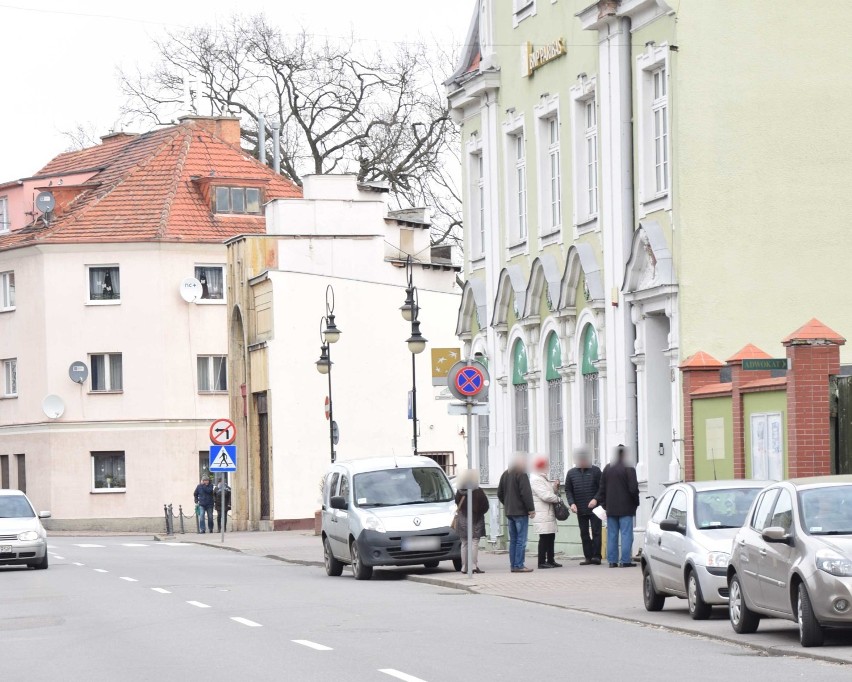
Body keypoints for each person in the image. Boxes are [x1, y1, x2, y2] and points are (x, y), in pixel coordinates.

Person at [591, 445, 639, 568]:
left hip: (611, 508)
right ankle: (625, 561)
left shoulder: (607, 468)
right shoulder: (629, 469)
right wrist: (636, 502)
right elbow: (633, 489)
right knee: (626, 534)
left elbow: (602, 489)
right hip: (626, 508)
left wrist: (604, 504)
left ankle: (612, 561)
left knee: (612, 534)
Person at [497, 453, 536, 573]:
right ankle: (519, 565)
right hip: (520, 512)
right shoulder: (521, 474)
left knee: (513, 540)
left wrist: (507, 504)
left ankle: (513, 565)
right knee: (521, 540)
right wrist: (531, 509)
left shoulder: (505, 474)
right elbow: (526, 493)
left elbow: (500, 493)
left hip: (509, 512)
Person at [565, 445, 603, 565]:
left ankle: (597, 556)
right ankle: (588, 557)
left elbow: (602, 488)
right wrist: (572, 503)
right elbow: (568, 490)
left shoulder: (596, 471)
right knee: (584, 533)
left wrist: (596, 499)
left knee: (596, 532)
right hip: (580, 509)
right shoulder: (571, 473)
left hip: (595, 508)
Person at [454, 469, 490, 574]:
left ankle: (464, 567)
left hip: (462, 520)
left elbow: (457, 502)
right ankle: (473, 566)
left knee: (464, 543)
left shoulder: (459, 491)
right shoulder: (478, 491)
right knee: (474, 542)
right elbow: (485, 506)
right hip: (476, 519)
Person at [530, 455, 562, 569]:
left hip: (547, 512)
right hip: (542, 513)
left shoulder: (543, 478)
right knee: (544, 538)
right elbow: (545, 496)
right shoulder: (536, 479)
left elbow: (549, 492)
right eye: (546, 466)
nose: (548, 468)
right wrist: (558, 499)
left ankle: (551, 560)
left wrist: (555, 487)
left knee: (551, 537)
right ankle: (542, 562)